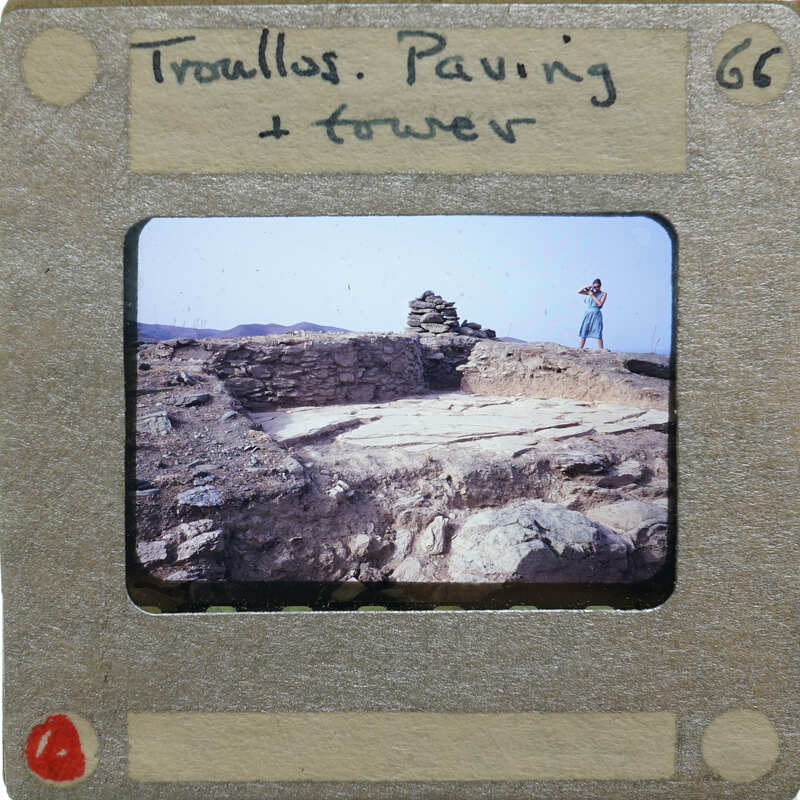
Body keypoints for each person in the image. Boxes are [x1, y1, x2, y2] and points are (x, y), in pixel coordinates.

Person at [577, 279, 607, 349]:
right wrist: (587, 287)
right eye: (595, 287)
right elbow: (579, 291)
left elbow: (600, 304)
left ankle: (601, 349)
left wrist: (593, 295)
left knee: (598, 331)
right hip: (588, 313)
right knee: (584, 330)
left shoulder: (603, 294)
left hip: (596, 313)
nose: (596, 288)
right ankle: (580, 348)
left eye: (598, 286)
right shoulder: (590, 292)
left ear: (600, 286)